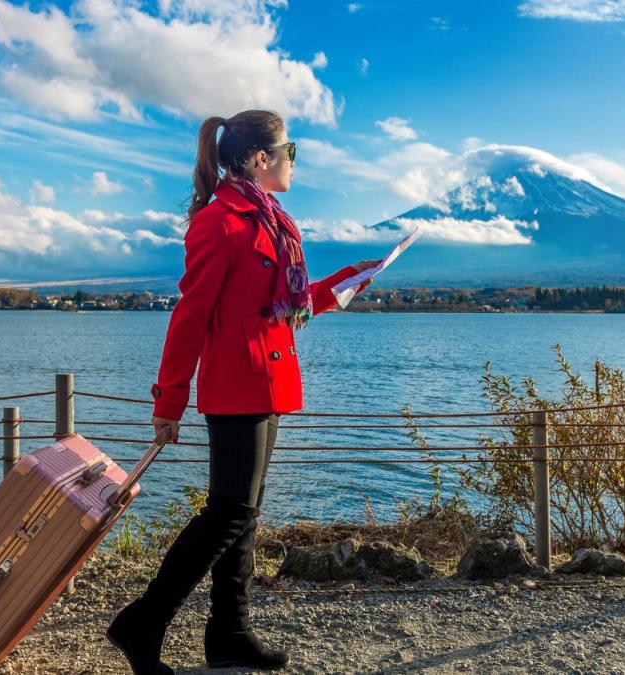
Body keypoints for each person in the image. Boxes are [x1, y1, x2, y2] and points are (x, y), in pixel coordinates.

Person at [106, 109, 378, 674]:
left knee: (244, 513)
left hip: (267, 382)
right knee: (228, 513)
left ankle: (229, 633)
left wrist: (345, 281)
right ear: (260, 159)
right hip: (236, 384)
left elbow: (282, 307)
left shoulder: (271, 220)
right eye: (289, 151)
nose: (294, 161)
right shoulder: (219, 222)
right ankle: (143, 622)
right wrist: (169, 401)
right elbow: (190, 317)